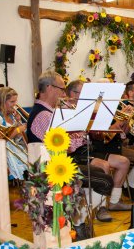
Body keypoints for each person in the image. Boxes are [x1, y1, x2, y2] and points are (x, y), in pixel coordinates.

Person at [27, 71, 114, 224]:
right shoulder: (44, 115)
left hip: (59, 165)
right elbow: (62, 147)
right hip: (51, 170)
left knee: (101, 175)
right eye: (61, 89)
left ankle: (78, 219)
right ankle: (77, 221)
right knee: (105, 181)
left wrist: (80, 132)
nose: (63, 94)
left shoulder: (49, 112)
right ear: (49, 87)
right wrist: (82, 136)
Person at [64, 81, 132, 215]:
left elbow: (102, 136)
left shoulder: (91, 109)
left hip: (91, 148)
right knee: (104, 166)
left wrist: (125, 121)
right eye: (83, 93)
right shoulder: (67, 110)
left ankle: (113, 201)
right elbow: (103, 138)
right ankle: (100, 207)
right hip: (77, 152)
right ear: (73, 94)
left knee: (124, 162)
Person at [0, 87, 28, 181]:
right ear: (3, 101)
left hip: (14, 147)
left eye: (15, 101)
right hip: (3, 151)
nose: (15, 105)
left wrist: (18, 122)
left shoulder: (11, 116)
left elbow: (17, 138)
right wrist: (18, 129)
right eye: (12, 101)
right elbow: (0, 139)